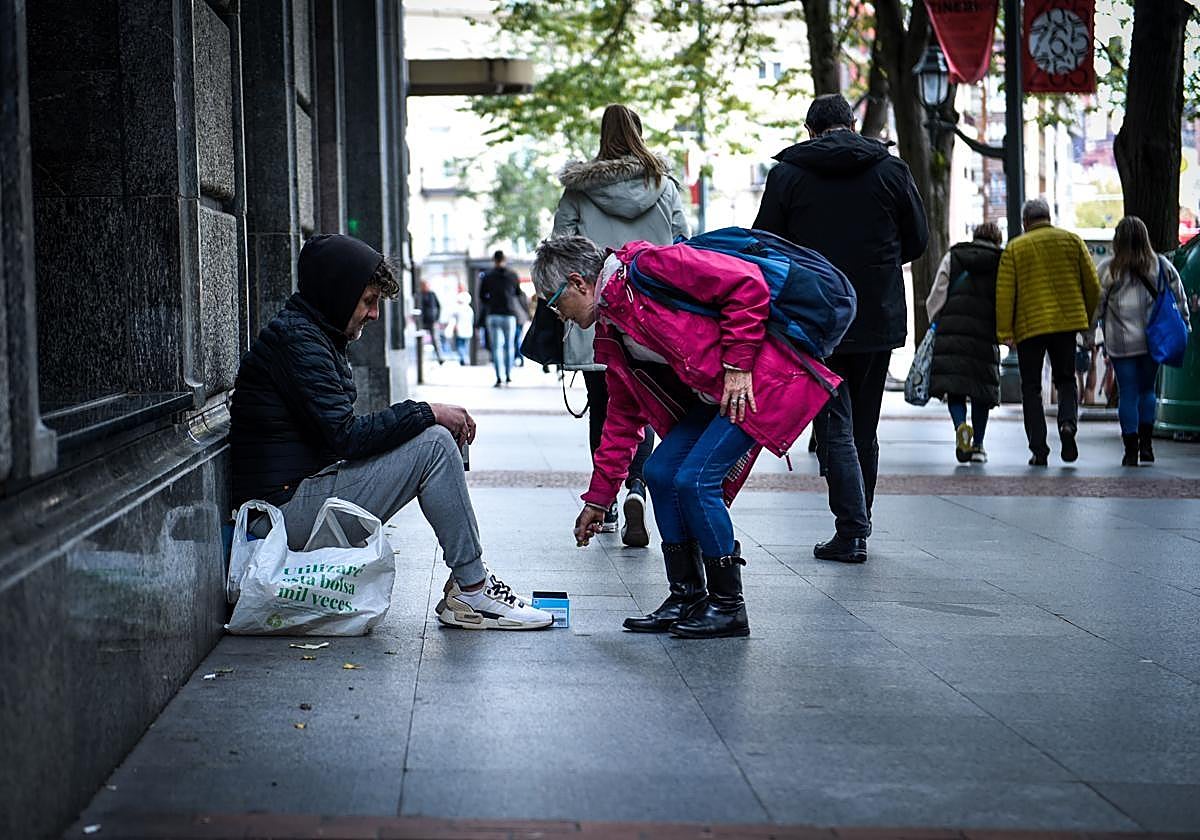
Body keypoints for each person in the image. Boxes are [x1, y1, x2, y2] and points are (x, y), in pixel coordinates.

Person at [229, 234, 552, 630]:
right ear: (337, 293)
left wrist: (423, 418)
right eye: (368, 301)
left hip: (293, 498)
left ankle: (470, 584)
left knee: (433, 436)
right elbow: (346, 437)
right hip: (278, 515)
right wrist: (425, 412)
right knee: (433, 444)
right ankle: (473, 588)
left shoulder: (311, 335)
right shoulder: (300, 341)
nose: (374, 315)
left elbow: (340, 437)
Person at [532, 235, 837, 639]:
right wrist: (599, 500)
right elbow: (622, 418)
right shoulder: (612, 327)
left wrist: (738, 364)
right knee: (658, 470)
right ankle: (687, 595)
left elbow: (746, 285)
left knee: (694, 480)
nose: (559, 315)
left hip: (757, 380)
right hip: (715, 396)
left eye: (556, 302)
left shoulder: (650, 268)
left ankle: (729, 606)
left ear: (578, 282)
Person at [752, 93, 927, 563]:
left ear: (810, 130)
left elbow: (765, 244)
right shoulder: (892, 171)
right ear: (851, 123)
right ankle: (859, 522)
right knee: (864, 425)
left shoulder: (788, 175)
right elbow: (918, 240)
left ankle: (851, 530)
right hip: (877, 311)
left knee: (834, 422)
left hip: (814, 316)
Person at [551, 103, 689, 547]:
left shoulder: (579, 191)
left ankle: (605, 502)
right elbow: (684, 243)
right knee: (644, 397)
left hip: (595, 305)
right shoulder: (663, 186)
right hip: (654, 311)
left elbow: (559, 247)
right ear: (639, 133)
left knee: (604, 404)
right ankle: (637, 489)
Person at [996, 198, 1101, 466]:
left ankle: (1039, 449)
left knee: (1030, 387)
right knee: (1066, 379)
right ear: (1048, 217)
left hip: (1029, 326)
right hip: (1066, 324)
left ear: (1025, 222)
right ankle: (1067, 424)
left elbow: (1005, 293)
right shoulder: (1072, 241)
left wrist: (1005, 332)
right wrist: (1086, 319)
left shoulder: (1015, 248)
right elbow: (1093, 286)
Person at [1096, 216, 1191, 466]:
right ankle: (1147, 446)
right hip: (1153, 340)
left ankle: (1130, 450)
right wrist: (1185, 326)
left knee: (1127, 392)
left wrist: (1086, 334)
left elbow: (1097, 306)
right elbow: (1179, 298)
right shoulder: (1160, 264)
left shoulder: (1108, 269)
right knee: (1147, 390)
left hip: (1120, 341)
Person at [925, 222, 1004, 464]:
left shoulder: (955, 255)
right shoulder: (1002, 260)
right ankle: (978, 445)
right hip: (985, 331)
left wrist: (934, 320)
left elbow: (938, 291)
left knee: (955, 388)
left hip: (953, 329)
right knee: (981, 391)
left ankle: (960, 426)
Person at [478, 250, 522, 387]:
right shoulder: (513, 275)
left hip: (493, 314)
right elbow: (518, 293)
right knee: (509, 346)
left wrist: (490, 302)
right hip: (509, 314)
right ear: (505, 259)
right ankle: (508, 376)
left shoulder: (487, 275)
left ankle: (498, 378)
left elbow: (481, 295)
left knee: (496, 347)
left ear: (494, 260)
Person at [417, 280, 444, 366]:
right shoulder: (419, 295)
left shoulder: (432, 294)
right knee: (421, 340)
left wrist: (437, 319)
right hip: (422, 321)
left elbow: (439, 306)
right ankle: (422, 359)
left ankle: (440, 358)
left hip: (432, 321)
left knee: (435, 340)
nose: (425, 287)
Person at [447, 290, 474, 366]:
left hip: (460, 330)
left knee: (460, 346)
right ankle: (465, 358)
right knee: (465, 345)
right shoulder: (469, 309)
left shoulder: (458, 309)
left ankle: (463, 359)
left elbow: (453, 319)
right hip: (467, 330)